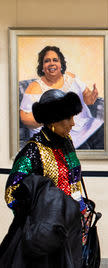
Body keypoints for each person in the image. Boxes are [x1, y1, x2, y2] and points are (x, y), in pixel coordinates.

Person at [2, 89, 87, 267]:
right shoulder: (32, 151)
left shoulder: (67, 143)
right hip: (45, 238)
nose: (73, 123)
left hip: (70, 228)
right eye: (68, 118)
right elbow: (12, 193)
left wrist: (80, 207)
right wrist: (39, 221)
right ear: (53, 120)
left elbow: (74, 180)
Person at [20, 46, 104, 149]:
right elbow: (25, 118)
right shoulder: (34, 87)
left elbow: (87, 98)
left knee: (104, 133)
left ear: (61, 64)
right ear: (42, 67)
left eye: (55, 60)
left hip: (86, 127)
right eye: (47, 61)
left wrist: (91, 97)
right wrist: (52, 118)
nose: (51, 63)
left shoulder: (71, 79)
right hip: (57, 136)